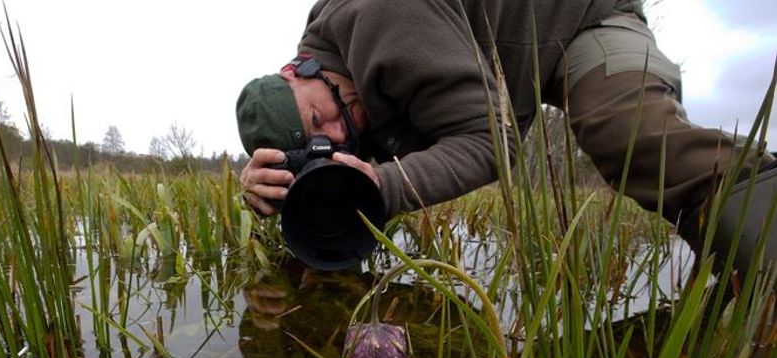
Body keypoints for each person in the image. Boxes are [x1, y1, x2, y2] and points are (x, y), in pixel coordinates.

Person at [236, 0, 777, 285]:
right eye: (320, 142)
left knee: (631, 137)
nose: (339, 131)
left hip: (580, 18)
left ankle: (766, 250)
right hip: (498, 65)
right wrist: (274, 197)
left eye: (320, 114)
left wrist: (381, 184)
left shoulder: (379, 16)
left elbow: (491, 142)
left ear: (295, 69)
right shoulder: (337, 80)